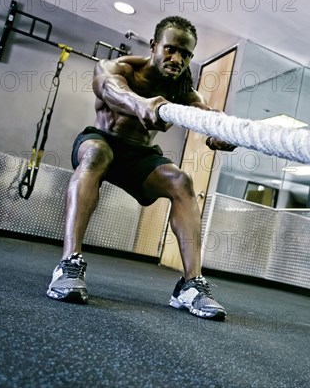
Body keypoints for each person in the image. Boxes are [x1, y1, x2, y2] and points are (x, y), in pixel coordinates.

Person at [46, 16, 235, 321]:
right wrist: (140, 104)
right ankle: (68, 264)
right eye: (171, 49)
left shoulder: (182, 90)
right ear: (153, 46)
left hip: (141, 156)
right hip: (104, 140)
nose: (177, 59)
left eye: (186, 54)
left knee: (181, 181)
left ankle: (190, 285)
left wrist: (222, 132)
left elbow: (208, 116)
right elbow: (108, 88)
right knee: (95, 154)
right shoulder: (121, 68)